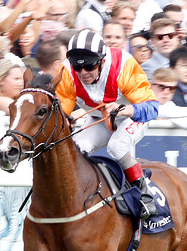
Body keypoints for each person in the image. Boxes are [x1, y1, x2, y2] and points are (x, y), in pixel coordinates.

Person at [55, 30, 159, 219]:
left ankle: (144, 194)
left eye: (89, 65)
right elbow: (61, 112)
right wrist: (65, 119)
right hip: (98, 119)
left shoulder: (123, 64)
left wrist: (125, 110)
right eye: (77, 68)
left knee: (116, 146)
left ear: (102, 61)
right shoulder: (67, 72)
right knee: (78, 148)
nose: (83, 73)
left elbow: (152, 108)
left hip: (131, 116)